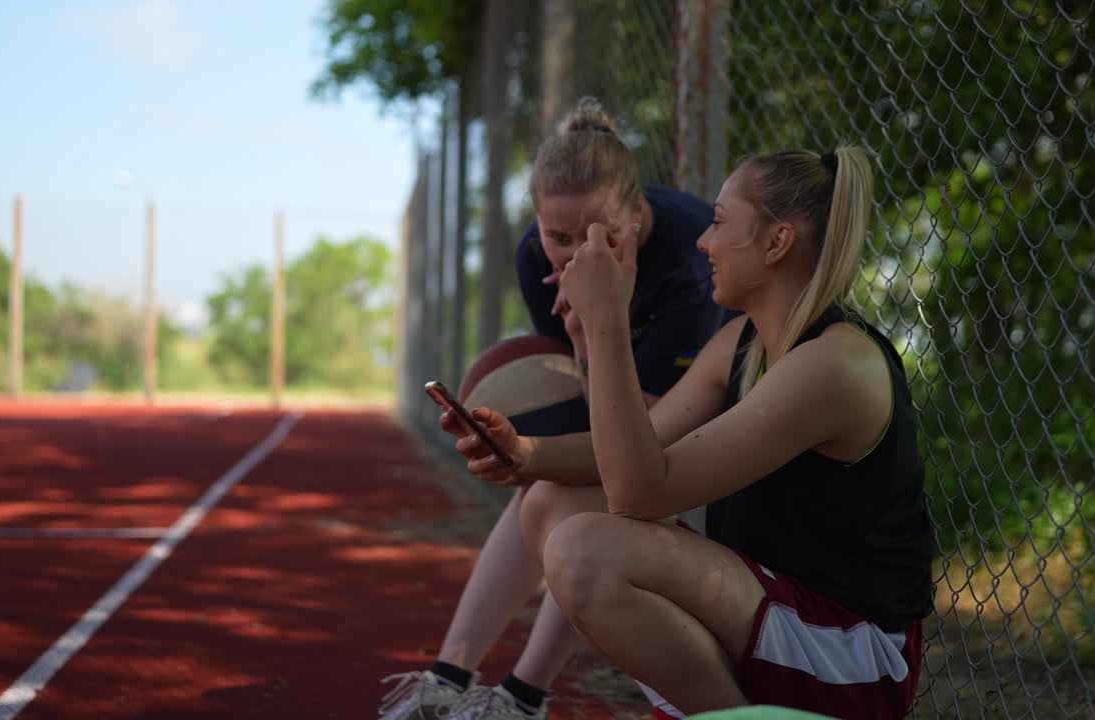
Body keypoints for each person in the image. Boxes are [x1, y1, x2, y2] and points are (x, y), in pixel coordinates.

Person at [443, 145, 936, 719]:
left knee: (585, 552)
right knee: (549, 503)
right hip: (772, 609)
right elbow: (640, 444)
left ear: (776, 243)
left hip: (851, 653)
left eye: (721, 223)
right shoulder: (742, 343)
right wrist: (523, 453)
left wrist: (606, 321)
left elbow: (639, 491)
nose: (703, 240)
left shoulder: (835, 364)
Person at [378, 97, 727, 720]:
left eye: (599, 233)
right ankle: (451, 679)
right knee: (539, 489)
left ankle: (521, 693)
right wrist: (573, 350)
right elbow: (582, 402)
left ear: (638, 211)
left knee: (597, 504)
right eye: (557, 236)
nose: (574, 252)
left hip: (706, 439)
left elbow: (638, 437)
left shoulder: (691, 266)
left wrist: (595, 330)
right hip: (619, 412)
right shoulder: (535, 256)